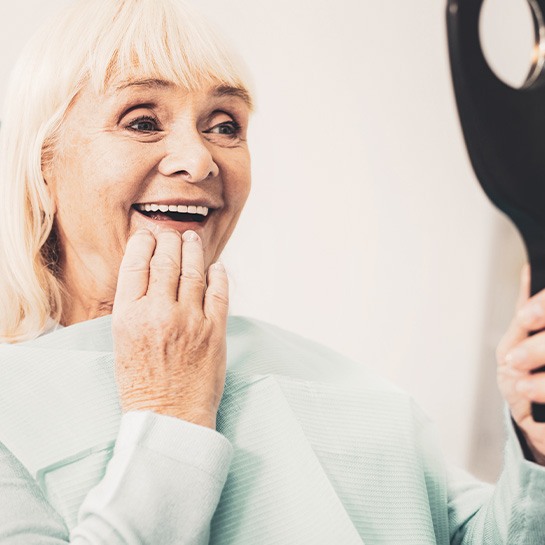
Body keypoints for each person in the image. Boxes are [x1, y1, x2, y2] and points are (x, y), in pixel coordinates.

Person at [0, 0, 544, 543]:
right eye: (142, 121)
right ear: (42, 163)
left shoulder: (348, 387)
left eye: (224, 125)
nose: (199, 159)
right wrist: (170, 413)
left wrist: (536, 446)